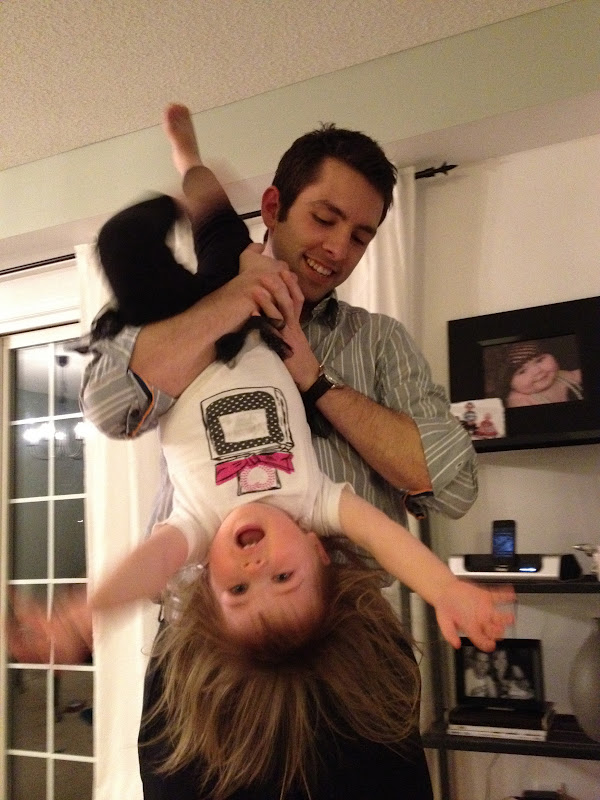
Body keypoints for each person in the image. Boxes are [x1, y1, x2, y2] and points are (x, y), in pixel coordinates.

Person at [77, 104, 487, 798]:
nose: (339, 248)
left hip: (352, 654)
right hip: (206, 653)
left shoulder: (378, 341)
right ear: (273, 207)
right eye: (325, 219)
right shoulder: (196, 297)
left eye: (361, 236)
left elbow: (451, 482)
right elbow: (112, 406)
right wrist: (234, 302)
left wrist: (315, 380)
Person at [499, 340, 583, 408]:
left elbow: (576, 375)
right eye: (522, 371)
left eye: (539, 360)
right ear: (508, 383)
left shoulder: (560, 376)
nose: (537, 371)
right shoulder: (519, 401)